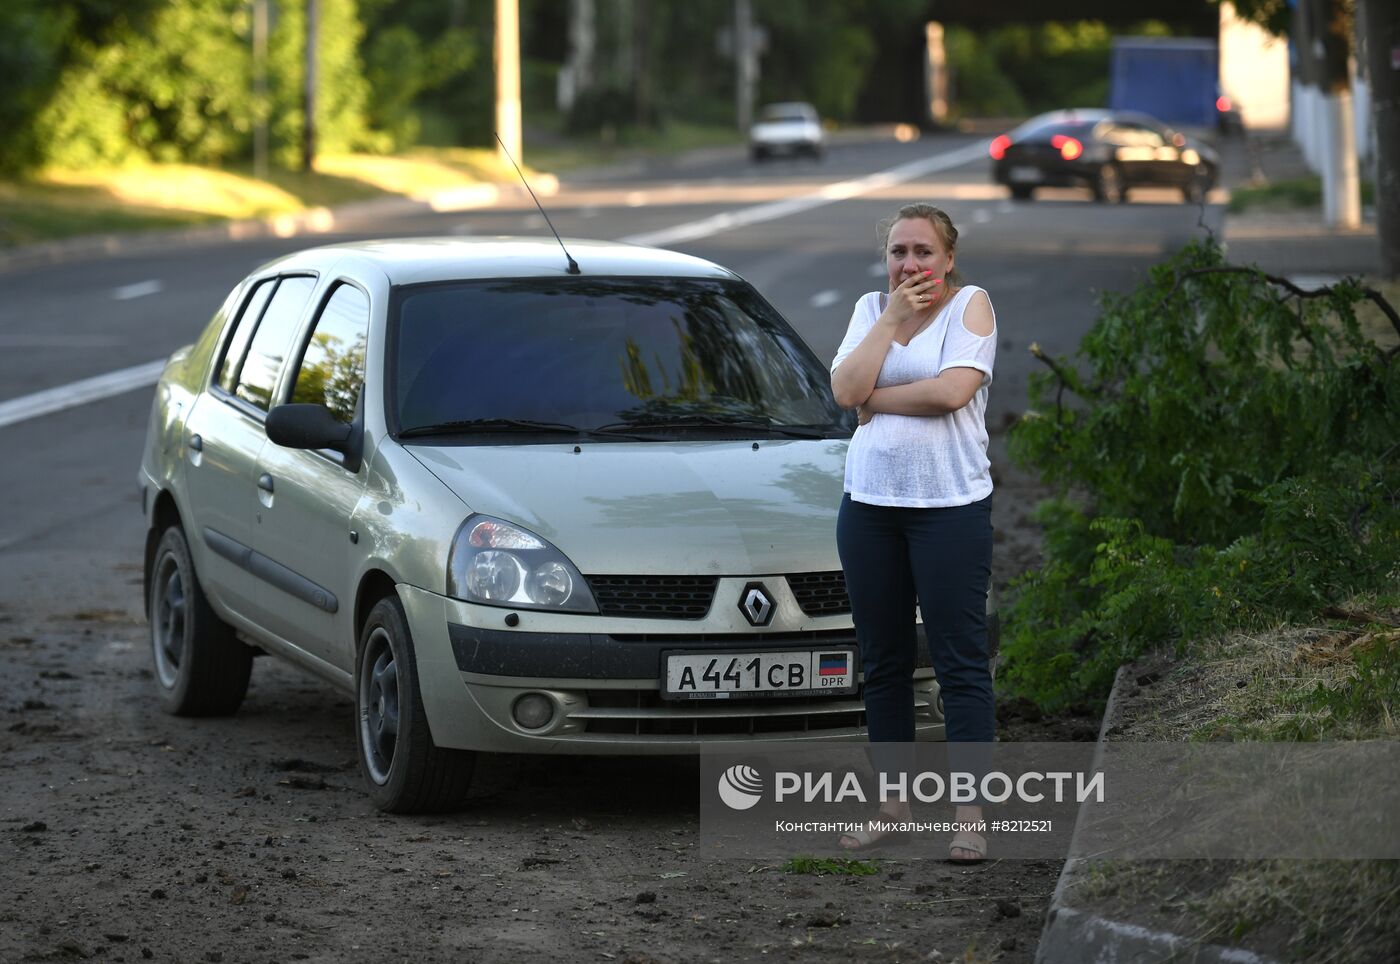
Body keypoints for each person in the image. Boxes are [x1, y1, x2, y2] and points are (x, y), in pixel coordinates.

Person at [829, 203, 996, 862]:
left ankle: (970, 815)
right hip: (869, 506)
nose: (909, 264)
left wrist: (876, 400)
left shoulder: (971, 306)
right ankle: (892, 807)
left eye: (922, 251)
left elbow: (951, 393)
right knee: (885, 662)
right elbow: (844, 388)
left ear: (948, 258)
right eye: (898, 251)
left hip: (950, 507)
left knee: (959, 662)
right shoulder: (873, 310)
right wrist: (893, 320)